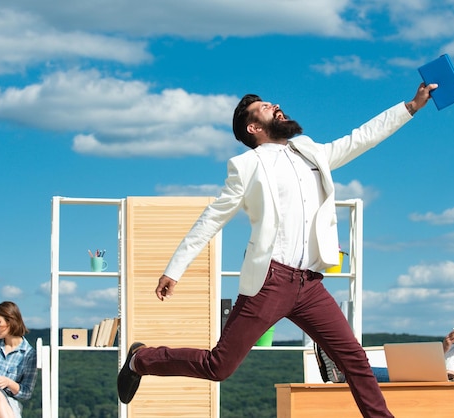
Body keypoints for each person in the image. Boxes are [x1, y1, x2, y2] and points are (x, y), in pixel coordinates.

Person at [118, 82, 437, 417]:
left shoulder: (309, 151)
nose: (275, 106)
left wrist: (411, 107)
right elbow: (212, 218)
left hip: (310, 285)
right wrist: (175, 268)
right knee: (220, 366)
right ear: (253, 128)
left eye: (272, 103)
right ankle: (141, 359)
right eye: (265, 107)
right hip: (270, 281)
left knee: (354, 359)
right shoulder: (246, 166)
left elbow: (361, 137)